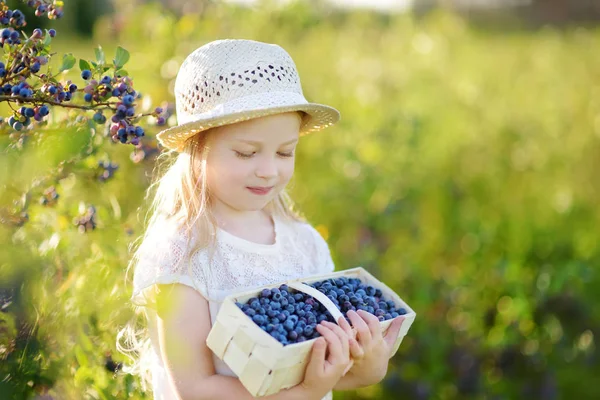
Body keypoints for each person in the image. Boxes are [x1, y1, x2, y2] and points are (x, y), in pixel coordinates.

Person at [117, 39, 405, 400]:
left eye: (285, 152)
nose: (268, 171)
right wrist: (306, 393)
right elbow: (194, 389)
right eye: (246, 152)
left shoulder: (304, 243)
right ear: (197, 148)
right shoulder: (182, 253)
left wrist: (368, 366)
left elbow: (325, 369)